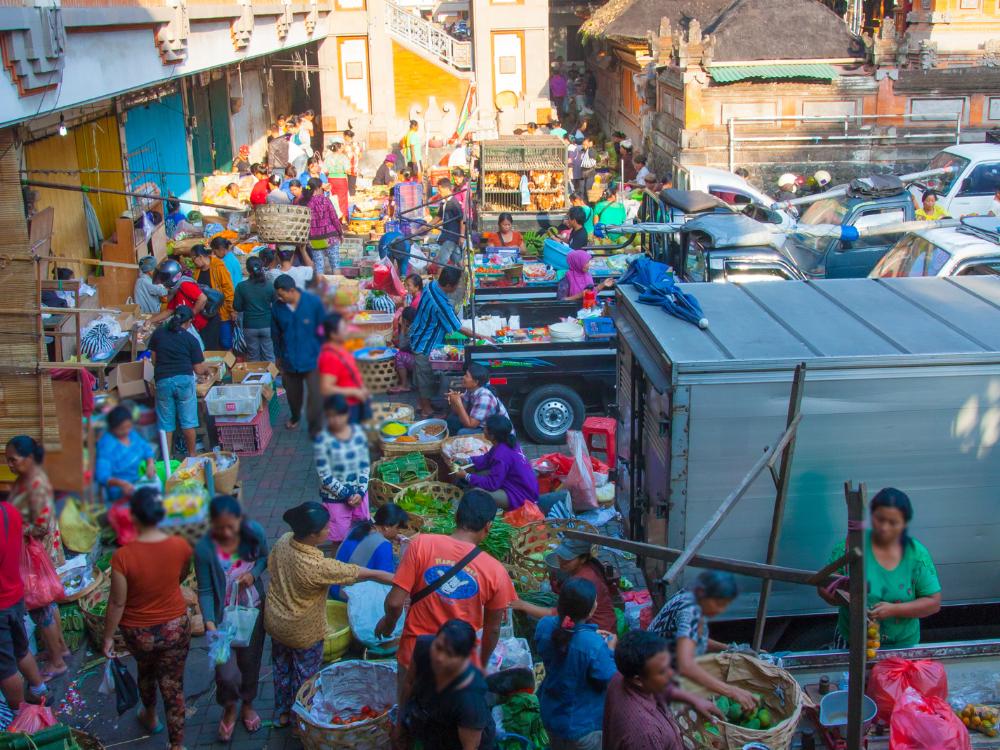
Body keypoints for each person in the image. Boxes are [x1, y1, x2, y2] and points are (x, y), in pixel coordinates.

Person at [265, 502, 394, 727]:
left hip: (276, 621)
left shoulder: (284, 541)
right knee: (305, 678)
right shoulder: (316, 566)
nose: (330, 529)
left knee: (282, 668)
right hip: (303, 631)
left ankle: (281, 713)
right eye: (326, 527)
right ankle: (299, 721)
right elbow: (360, 573)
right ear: (312, 535)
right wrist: (396, 579)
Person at [375, 490, 517, 681]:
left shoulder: (421, 544)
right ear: (488, 526)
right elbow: (492, 630)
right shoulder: (496, 571)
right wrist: (481, 665)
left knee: (408, 700)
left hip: (415, 656)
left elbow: (394, 602)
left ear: (457, 516)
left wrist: (388, 624)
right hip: (457, 665)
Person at [102, 488, 194, 750]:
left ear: (133, 517)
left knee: (145, 670)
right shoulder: (181, 545)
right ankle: (177, 745)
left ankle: (150, 717)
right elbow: (181, 575)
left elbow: (117, 602)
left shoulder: (122, 557)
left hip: (138, 633)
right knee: (172, 685)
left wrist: (108, 637)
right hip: (175, 627)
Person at [818, 487, 941, 649]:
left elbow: (933, 602)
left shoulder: (916, 556)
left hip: (901, 644)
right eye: (880, 519)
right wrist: (844, 598)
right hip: (852, 639)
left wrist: (894, 610)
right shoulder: (851, 547)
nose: (884, 528)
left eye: (893, 523)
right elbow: (824, 585)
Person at [194, 495, 268, 740]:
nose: (225, 533)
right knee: (225, 673)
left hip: (251, 612)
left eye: (230, 526)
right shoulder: (204, 549)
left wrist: (253, 574)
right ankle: (229, 708)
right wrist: (210, 624)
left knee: (250, 663)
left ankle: (247, 704)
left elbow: (264, 558)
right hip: (221, 619)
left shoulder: (254, 532)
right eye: (219, 527)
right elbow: (205, 590)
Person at [647, 570, 755, 712]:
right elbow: (685, 665)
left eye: (725, 605)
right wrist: (731, 691)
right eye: (719, 603)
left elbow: (693, 639)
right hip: (653, 671)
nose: (721, 610)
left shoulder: (692, 598)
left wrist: (730, 648)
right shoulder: (689, 612)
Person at [6, 436, 67, 680]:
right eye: (8, 460)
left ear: (29, 458)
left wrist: (15, 529)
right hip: (36, 552)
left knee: (41, 607)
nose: (9, 464)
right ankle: (60, 649)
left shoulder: (35, 484)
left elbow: (40, 526)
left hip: (35, 554)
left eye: (13, 459)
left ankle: (56, 661)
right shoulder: (27, 479)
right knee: (47, 605)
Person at [603, 630, 722, 750]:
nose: (672, 673)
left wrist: (694, 700)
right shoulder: (646, 735)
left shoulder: (622, 676)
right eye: (663, 671)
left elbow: (662, 688)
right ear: (638, 680)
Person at [535, 578, 617, 750]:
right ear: (590, 610)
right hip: (581, 727)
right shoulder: (592, 645)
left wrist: (589, 636)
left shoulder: (544, 625)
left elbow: (564, 640)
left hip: (551, 714)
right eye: (595, 601)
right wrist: (609, 649)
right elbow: (610, 680)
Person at [398, 620, 496, 750]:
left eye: (449, 654)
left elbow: (470, 747)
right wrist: (400, 726)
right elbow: (409, 683)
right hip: (433, 725)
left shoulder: (470, 699)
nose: (439, 658)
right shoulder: (424, 647)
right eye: (438, 647)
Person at [408, 266, 488, 419]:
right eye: (457, 284)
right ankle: (426, 410)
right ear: (449, 285)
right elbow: (458, 327)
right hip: (424, 344)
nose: (458, 287)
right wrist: (481, 336)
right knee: (424, 379)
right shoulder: (441, 304)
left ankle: (425, 404)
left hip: (419, 335)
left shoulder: (432, 285)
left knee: (423, 376)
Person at [0, 491, 47, 710]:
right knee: (21, 649)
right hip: (15, 594)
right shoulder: (10, 511)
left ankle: (21, 716)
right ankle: (39, 690)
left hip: (1, 604)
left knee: (6, 669)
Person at [148, 306, 210, 456]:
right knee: (188, 422)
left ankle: (167, 459)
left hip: (163, 381)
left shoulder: (158, 333)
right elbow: (198, 369)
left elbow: (154, 360)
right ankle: (192, 456)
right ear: (188, 322)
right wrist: (207, 370)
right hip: (184, 381)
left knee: (166, 424)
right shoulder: (190, 339)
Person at [271, 274, 326, 436]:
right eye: (278, 295)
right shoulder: (277, 307)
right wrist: (278, 356)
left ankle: (315, 424)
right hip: (289, 359)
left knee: (315, 395)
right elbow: (275, 334)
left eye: (282, 295)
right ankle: (295, 416)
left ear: (292, 290)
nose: (279, 298)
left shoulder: (312, 302)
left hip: (312, 359)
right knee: (293, 395)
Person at [314, 395, 371, 543]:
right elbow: (325, 476)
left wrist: (360, 491)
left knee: (362, 533)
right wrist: (348, 495)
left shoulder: (358, 433)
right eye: (331, 416)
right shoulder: (322, 440)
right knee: (339, 539)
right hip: (336, 500)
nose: (336, 420)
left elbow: (364, 464)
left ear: (347, 414)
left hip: (359, 496)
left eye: (339, 415)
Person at [454, 415, 537, 512]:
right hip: (518, 485)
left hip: (522, 496)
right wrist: (467, 460)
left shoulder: (501, 455)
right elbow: (487, 459)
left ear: (492, 436)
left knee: (476, 493)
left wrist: (466, 476)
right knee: (478, 474)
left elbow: (492, 484)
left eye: (485, 428)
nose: (483, 429)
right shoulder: (507, 442)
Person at [330, 503, 409, 600]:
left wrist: (392, 536)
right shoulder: (383, 545)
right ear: (386, 526)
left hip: (333, 586)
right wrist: (403, 556)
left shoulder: (358, 528)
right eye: (397, 528)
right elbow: (388, 579)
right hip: (347, 597)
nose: (398, 532)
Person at [95, 405, 156, 502]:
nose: (126, 431)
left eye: (129, 427)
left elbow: (146, 448)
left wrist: (150, 464)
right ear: (112, 428)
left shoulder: (132, 434)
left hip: (139, 481)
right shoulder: (106, 445)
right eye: (122, 429)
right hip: (120, 490)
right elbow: (102, 476)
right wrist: (122, 484)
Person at [317, 313, 369, 421]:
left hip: (354, 402)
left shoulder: (340, 347)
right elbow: (325, 388)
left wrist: (361, 388)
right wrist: (354, 392)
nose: (348, 331)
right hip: (345, 408)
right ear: (333, 334)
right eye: (344, 329)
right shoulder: (329, 357)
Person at [151, 258, 211, 347]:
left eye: (163, 277)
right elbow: (169, 310)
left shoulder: (184, 285)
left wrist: (190, 315)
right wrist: (150, 321)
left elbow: (203, 299)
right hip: (193, 327)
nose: (162, 281)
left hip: (204, 326)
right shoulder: (175, 289)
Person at [446, 363, 510, 435]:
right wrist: (453, 400)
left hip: (497, 431)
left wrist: (458, 403)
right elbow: (459, 411)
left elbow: (471, 425)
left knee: (462, 432)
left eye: (467, 376)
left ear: (476, 382)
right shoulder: (470, 389)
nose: (463, 377)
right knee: (452, 420)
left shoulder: (484, 397)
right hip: (481, 424)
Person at [192, 244, 235, 350]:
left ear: (200, 257)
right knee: (209, 342)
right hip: (205, 314)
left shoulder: (218, 267)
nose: (193, 262)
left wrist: (231, 309)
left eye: (193, 259)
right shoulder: (197, 271)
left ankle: (228, 359)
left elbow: (228, 289)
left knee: (225, 342)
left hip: (221, 311)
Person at [233, 256, 276, 362]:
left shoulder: (241, 286)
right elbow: (275, 303)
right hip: (267, 325)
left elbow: (237, 307)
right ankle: (271, 372)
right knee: (269, 355)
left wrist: (247, 305)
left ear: (248, 270)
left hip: (250, 326)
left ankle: (255, 373)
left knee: (253, 357)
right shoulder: (269, 286)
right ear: (262, 268)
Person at [306, 177, 343, 276]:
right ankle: (337, 285)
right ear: (318, 188)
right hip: (330, 237)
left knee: (319, 267)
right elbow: (334, 218)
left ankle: (320, 286)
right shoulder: (326, 200)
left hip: (314, 239)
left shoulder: (307, 203)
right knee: (335, 265)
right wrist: (340, 233)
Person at [434, 178, 465, 268]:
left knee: (442, 260)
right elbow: (438, 216)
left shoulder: (454, 203)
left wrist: (461, 236)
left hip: (452, 236)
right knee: (457, 259)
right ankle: (464, 273)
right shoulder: (444, 202)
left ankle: (437, 277)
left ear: (447, 189)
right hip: (447, 234)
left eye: (440, 190)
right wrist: (427, 226)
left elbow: (462, 220)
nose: (439, 192)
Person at [391, 306, 418, 394]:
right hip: (422, 358)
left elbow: (402, 346)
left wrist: (402, 328)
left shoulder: (411, 329)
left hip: (418, 361)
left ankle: (404, 385)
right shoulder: (416, 326)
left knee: (399, 356)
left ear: (405, 320)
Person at [324, 140, 351, 218]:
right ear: (338, 148)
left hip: (331, 179)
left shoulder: (328, 157)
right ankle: (343, 218)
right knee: (342, 199)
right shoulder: (343, 157)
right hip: (341, 180)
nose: (343, 149)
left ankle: (333, 217)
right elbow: (347, 170)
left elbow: (325, 170)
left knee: (333, 199)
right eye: (342, 148)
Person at [343, 129, 362, 195]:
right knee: (351, 186)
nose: (343, 137)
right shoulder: (357, 144)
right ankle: (352, 197)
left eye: (344, 136)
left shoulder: (345, 145)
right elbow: (360, 156)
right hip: (353, 168)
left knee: (349, 187)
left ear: (347, 136)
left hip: (349, 168)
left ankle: (351, 198)